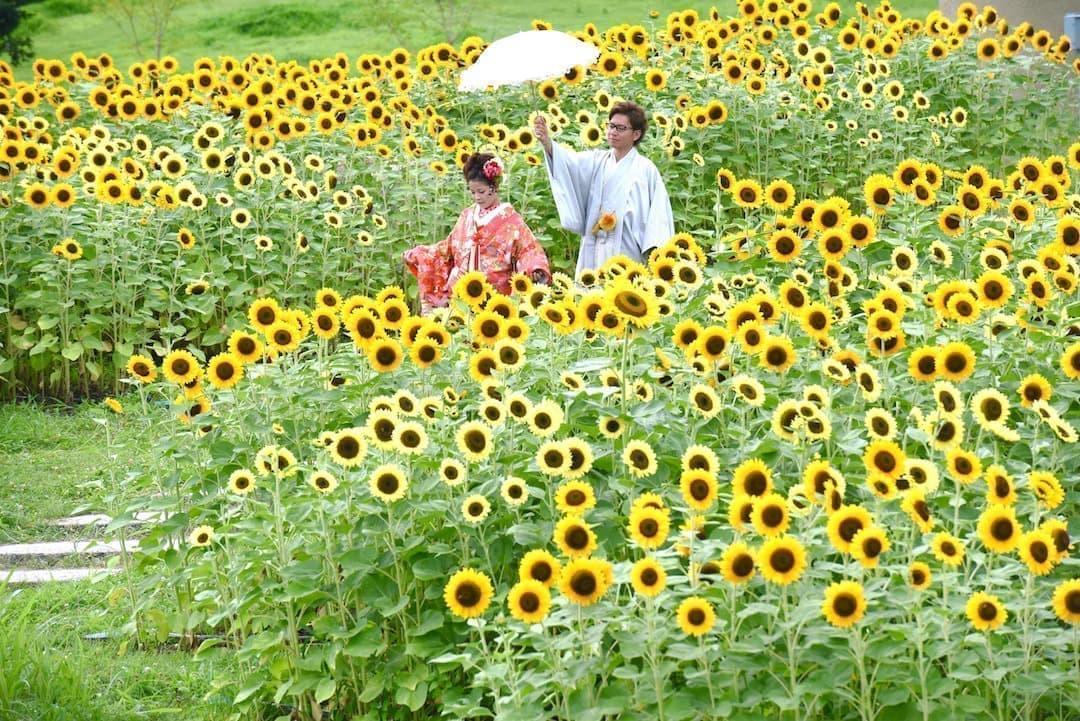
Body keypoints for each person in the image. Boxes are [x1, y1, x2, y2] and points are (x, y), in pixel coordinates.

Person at [534, 100, 674, 277]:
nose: (613, 132)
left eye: (620, 128)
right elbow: (569, 164)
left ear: (636, 134)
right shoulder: (597, 160)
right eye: (611, 126)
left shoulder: (646, 170)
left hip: (627, 247)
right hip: (595, 245)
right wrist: (547, 142)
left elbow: (658, 216)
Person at [404, 152, 551, 312]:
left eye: (481, 192)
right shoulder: (467, 215)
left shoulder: (511, 221)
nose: (476, 197)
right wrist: (422, 254)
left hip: (495, 298)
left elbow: (528, 250)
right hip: (461, 292)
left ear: (495, 187)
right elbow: (448, 248)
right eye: (472, 192)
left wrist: (534, 268)